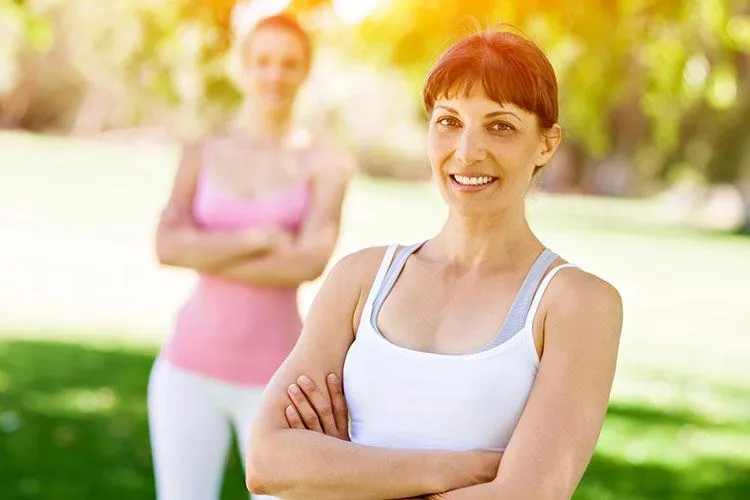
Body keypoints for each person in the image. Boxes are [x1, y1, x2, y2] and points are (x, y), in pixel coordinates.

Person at [245, 26, 624, 500]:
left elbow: (526, 495)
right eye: (448, 121)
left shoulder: (576, 304)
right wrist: (453, 469)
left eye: (500, 126)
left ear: (546, 144)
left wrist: (338, 476)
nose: (467, 151)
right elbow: (266, 462)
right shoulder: (361, 279)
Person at [148, 13, 354, 500]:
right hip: (186, 371)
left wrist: (203, 250)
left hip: (280, 381)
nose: (274, 75)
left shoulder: (327, 162)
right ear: (244, 66)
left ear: (305, 71)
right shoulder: (202, 153)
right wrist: (257, 237)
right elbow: (164, 247)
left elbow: (307, 263)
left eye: (288, 63)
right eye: (262, 61)